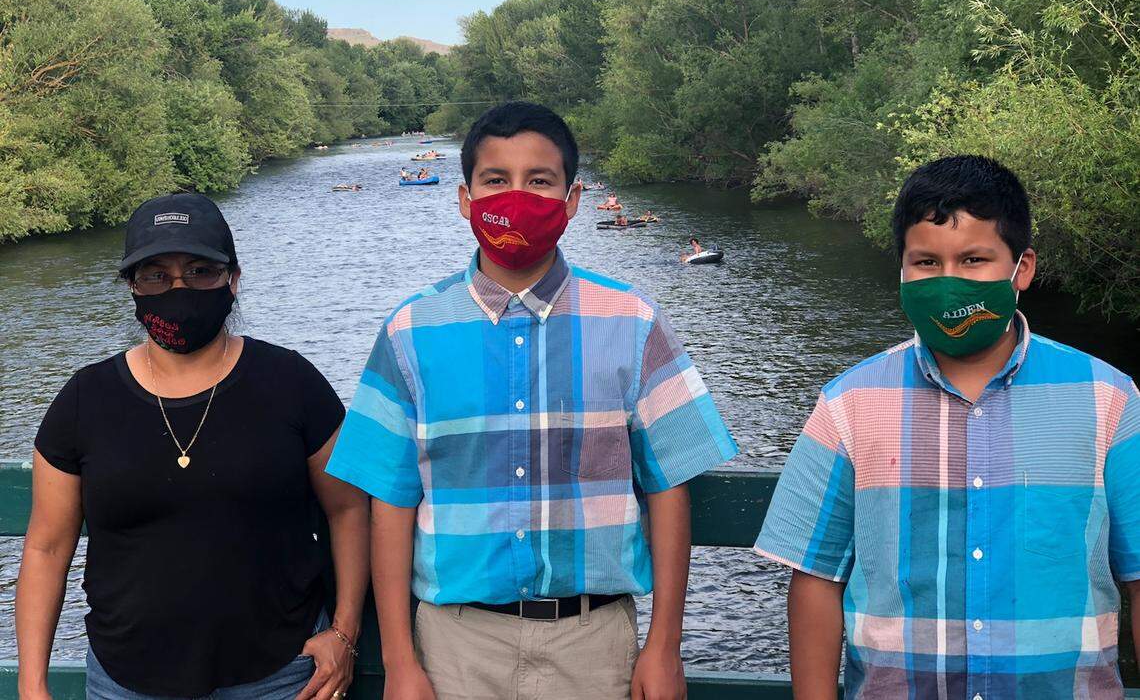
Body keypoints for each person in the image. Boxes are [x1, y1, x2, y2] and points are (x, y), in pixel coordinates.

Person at [326, 101, 737, 700]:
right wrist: (398, 660)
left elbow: (669, 485)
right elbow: (390, 501)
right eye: (496, 180)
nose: (516, 196)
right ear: (465, 198)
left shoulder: (634, 321)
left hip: (594, 641)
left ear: (571, 201)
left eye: (539, 181)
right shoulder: (409, 332)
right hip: (454, 644)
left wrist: (665, 645)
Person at [754, 155, 1140, 698]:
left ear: (1021, 268)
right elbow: (815, 577)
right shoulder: (849, 403)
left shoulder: (1110, 400)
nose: (950, 281)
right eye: (927, 263)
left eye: (975, 259)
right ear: (903, 269)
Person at [16, 192, 370, 700]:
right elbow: (46, 547)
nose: (177, 289)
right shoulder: (84, 399)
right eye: (155, 274)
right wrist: (32, 685)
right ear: (131, 287)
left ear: (233, 278)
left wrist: (344, 632)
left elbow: (348, 509)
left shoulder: (291, 382)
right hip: (126, 681)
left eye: (200, 271)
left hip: (282, 676)